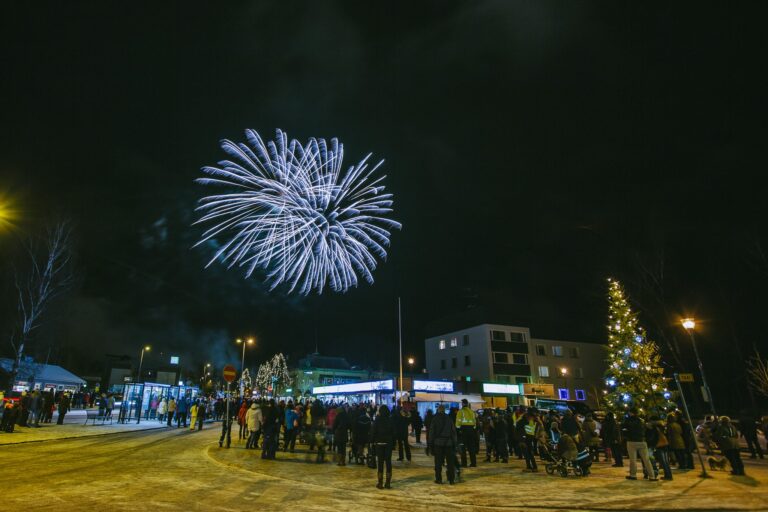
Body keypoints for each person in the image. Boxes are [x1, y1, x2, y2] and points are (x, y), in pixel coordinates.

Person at [622, 408, 657, 481]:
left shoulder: (628, 420)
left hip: (631, 441)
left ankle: (633, 475)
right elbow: (648, 429)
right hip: (642, 441)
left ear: (631, 413)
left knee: (633, 460)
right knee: (646, 460)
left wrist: (626, 435)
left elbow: (623, 429)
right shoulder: (642, 420)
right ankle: (652, 476)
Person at [429, 404, 457, 484]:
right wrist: (454, 443)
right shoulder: (449, 418)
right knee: (450, 462)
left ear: (438, 410)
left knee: (438, 462)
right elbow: (453, 432)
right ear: (444, 410)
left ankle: (439, 479)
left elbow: (432, 432)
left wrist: (430, 443)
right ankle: (451, 479)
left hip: (438, 443)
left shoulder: (435, 419)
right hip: (448, 443)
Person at [371, 405, 395, 489]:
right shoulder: (390, 420)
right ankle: (388, 483)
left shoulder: (377, 420)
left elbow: (373, 431)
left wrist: (372, 441)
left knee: (380, 463)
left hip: (379, 443)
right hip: (388, 443)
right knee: (388, 462)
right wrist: (393, 444)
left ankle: (380, 483)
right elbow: (393, 433)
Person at [455, 399, 478, 467]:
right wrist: (473, 428)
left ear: (463, 404)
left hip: (463, 430)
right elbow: (474, 422)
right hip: (471, 430)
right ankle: (473, 463)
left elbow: (458, 422)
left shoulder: (461, 411)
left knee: (463, 447)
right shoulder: (471, 411)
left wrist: (458, 428)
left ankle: (464, 463)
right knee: (471, 447)